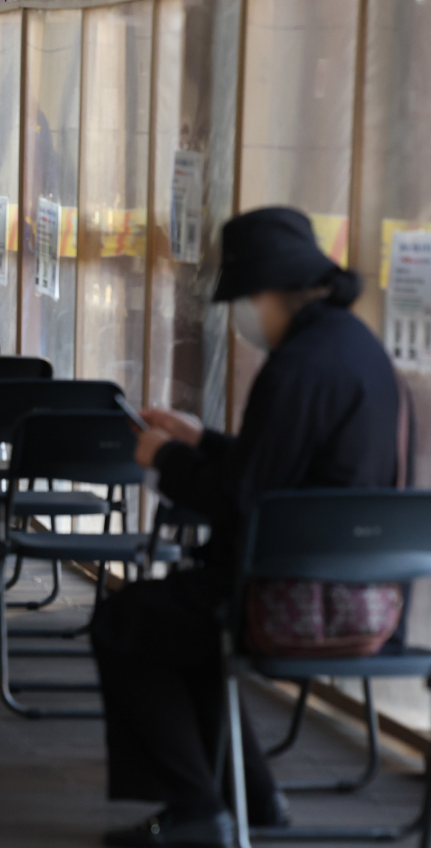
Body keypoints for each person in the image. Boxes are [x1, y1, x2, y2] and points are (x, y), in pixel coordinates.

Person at [93, 207, 402, 848]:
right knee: (185, 627)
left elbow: (242, 502)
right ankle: (255, 799)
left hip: (285, 598)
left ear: (273, 292)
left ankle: (197, 810)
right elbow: (285, 468)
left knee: (127, 621)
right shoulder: (359, 352)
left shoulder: (295, 368)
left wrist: (164, 458)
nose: (247, 315)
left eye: (248, 298)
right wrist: (200, 439)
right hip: (368, 601)